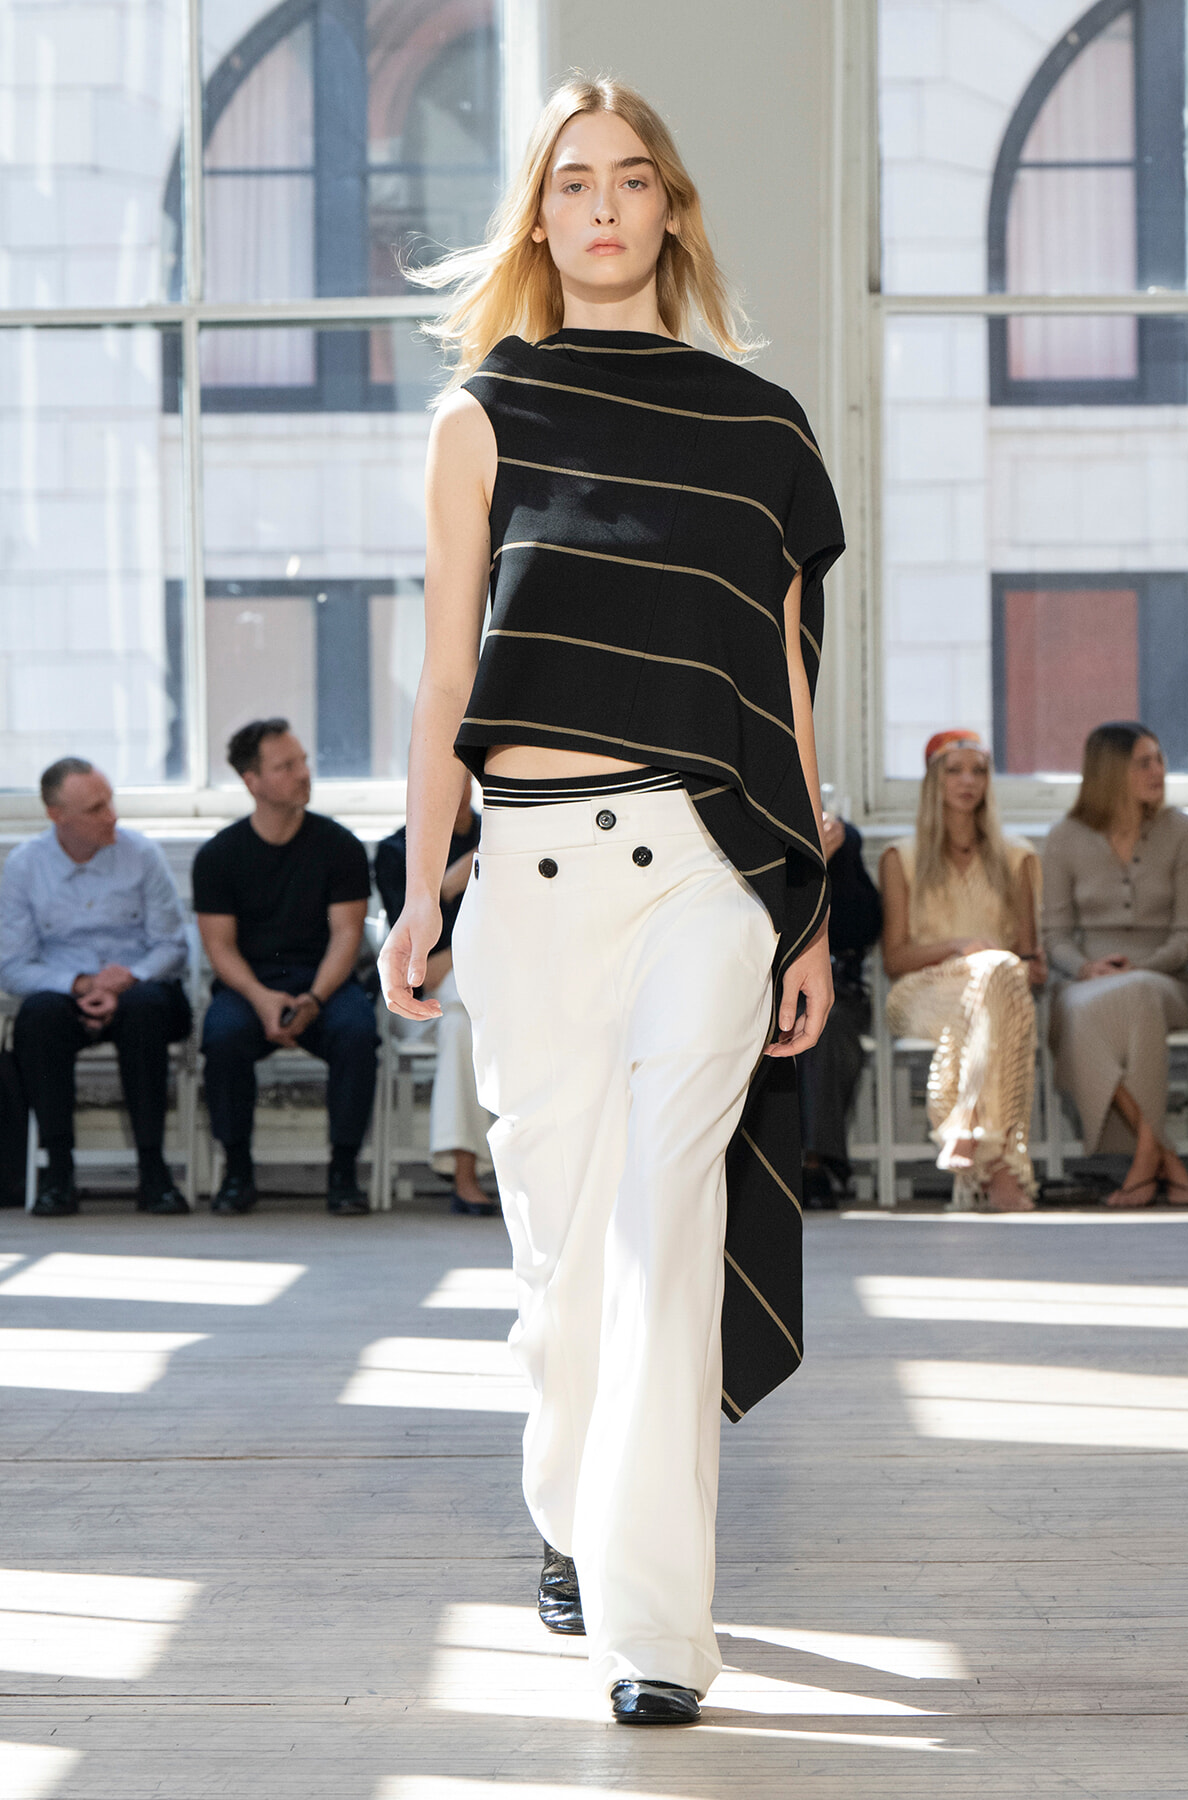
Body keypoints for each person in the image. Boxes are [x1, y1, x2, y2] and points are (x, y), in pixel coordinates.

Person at [377, 79, 844, 1726]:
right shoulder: (479, 420)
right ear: (539, 216)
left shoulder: (761, 432)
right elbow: (446, 677)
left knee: (665, 1244)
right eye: (570, 182)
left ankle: (658, 1634)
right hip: (529, 880)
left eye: (629, 180)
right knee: (561, 1271)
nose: (600, 207)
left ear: (668, 210)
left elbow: (782, 693)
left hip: (705, 889)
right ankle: (572, 1519)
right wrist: (421, 891)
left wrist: (809, 915)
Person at [193, 720, 378, 1217]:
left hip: (326, 981)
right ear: (252, 782)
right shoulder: (218, 856)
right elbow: (220, 947)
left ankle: (342, 1172)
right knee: (223, 1037)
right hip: (250, 986)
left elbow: (347, 935)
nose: (303, 774)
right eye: (286, 766)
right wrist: (261, 998)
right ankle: (236, 1172)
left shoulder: (340, 846)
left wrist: (315, 1000)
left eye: (303, 761)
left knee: (358, 1033)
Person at [0, 757, 192, 1217]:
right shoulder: (24, 867)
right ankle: (58, 1175)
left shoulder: (142, 855)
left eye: (110, 801)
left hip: (137, 986)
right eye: (95, 808)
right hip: (64, 992)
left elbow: (172, 946)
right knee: (38, 1018)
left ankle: (154, 1173)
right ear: (56, 816)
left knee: (146, 1010)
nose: (112, 815)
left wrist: (126, 977)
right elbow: (12, 966)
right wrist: (79, 984)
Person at [879, 730, 1045, 1211]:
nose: (968, 781)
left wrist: (1019, 966)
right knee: (994, 971)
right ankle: (994, 1157)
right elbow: (894, 959)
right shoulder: (900, 856)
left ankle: (970, 1129)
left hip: (1000, 992)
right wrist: (958, 948)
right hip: (923, 991)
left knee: (998, 976)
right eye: (955, 770)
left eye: (978, 771)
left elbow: (1029, 959)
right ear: (934, 781)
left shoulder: (1018, 858)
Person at [1043, 721, 1188, 1207]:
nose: (1158, 770)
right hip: (1087, 978)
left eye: (1159, 759)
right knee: (1079, 1006)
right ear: (1111, 772)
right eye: (1143, 762)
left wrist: (1144, 967)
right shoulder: (1064, 837)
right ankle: (1162, 1157)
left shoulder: (1181, 832)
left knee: (1136, 994)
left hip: (1166, 978)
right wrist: (1087, 969)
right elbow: (1055, 937)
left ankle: (1148, 1160)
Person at [375, 770, 496, 1215]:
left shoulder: (502, 832)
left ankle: (466, 1172)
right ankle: (465, 1174)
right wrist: (455, 881)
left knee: (467, 1017)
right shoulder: (395, 853)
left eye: (463, 776)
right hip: (430, 1003)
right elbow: (419, 972)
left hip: (510, 990)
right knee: (460, 1022)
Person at [797, 809, 883, 1206]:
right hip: (758, 985)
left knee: (823, 1023)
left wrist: (828, 862)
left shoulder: (845, 841)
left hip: (835, 992)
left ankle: (813, 1162)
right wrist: (803, 866)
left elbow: (861, 928)